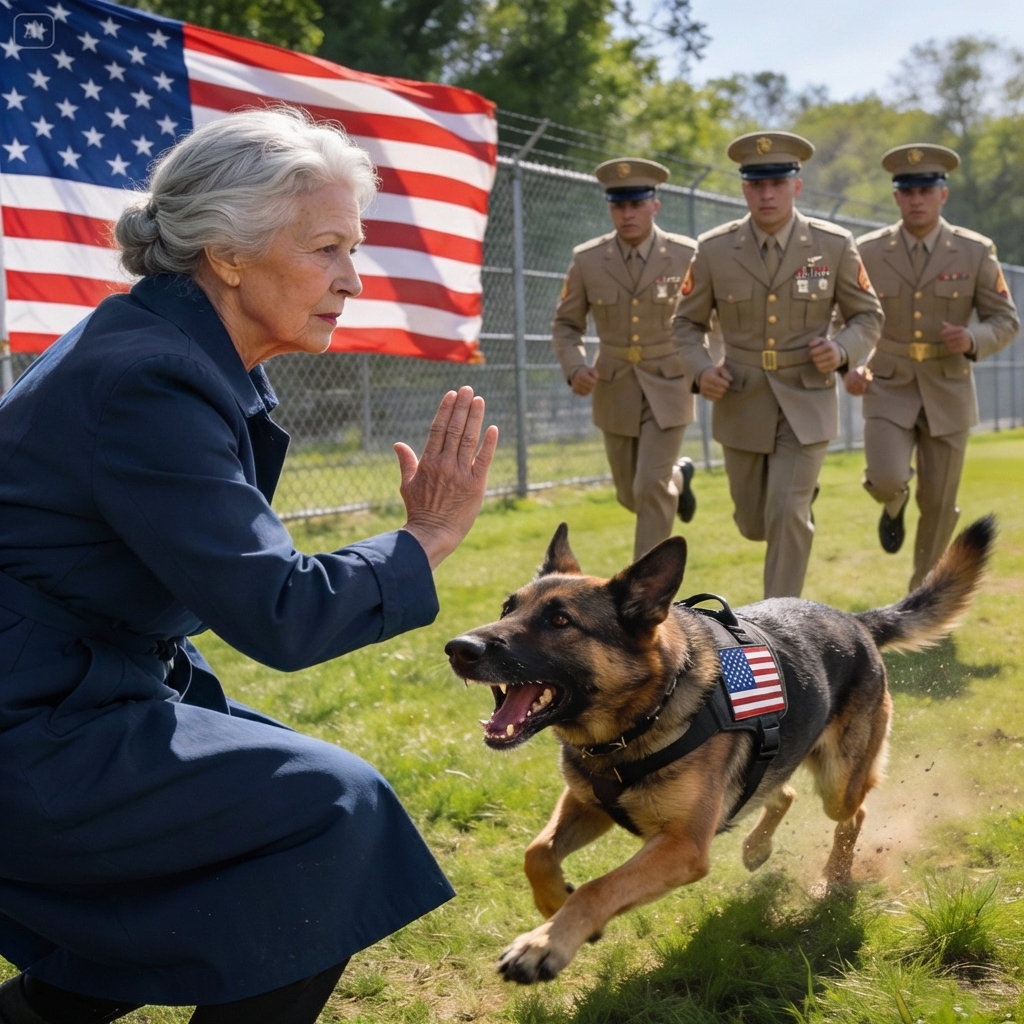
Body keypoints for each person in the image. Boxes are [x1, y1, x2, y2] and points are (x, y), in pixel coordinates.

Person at [0, 108, 498, 1024]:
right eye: (327, 249)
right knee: (329, 814)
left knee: (292, 816)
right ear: (227, 255)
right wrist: (424, 539)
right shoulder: (152, 376)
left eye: (355, 248)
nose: (352, 278)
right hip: (31, 719)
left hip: (74, 683)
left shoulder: (162, 345)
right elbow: (280, 611)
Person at [672, 131, 884, 598]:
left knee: (787, 514)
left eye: (778, 183)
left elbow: (868, 315)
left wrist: (844, 349)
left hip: (807, 398)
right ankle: (794, 505)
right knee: (754, 522)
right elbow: (685, 325)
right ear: (744, 188)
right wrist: (702, 370)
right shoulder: (714, 249)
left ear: (797, 186)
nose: (766, 194)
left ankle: (777, 629)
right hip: (741, 398)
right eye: (755, 184)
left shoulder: (833, 245)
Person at [847, 144, 1019, 589]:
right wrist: (849, 361)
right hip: (887, 380)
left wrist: (972, 338)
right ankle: (892, 503)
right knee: (885, 477)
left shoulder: (975, 251)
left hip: (949, 386)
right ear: (896, 197)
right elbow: (845, 314)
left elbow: (1005, 320)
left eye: (926, 189)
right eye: (907, 191)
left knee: (940, 502)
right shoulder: (866, 251)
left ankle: (921, 592)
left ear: (943, 195)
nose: (916, 199)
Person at [551, 158, 699, 561]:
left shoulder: (687, 255)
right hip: (614, 386)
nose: (627, 214)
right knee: (630, 493)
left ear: (655, 205)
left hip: (671, 383)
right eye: (619, 206)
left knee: (649, 487)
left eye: (636, 204)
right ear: (610, 208)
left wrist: (707, 367)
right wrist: (575, 367)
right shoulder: (588, 260)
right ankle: (679, 482)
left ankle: (641, 593)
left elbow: (711, 320)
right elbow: (567, 326)